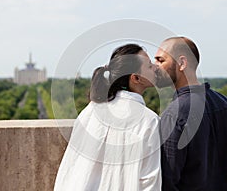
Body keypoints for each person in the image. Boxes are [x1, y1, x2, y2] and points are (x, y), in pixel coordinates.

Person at [54, 44, 161, 191]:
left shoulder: (91, 110)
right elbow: (149, 181)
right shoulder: (148, 120)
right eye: (149, 66)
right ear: (136, 78)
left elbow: (70, 167)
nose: (155, 67)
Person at [154, 37, 227, 191]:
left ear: (182, 63)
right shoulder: (225, 103)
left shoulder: (175, 112)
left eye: (160, 60)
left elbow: (168, 177)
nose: (154, 66)